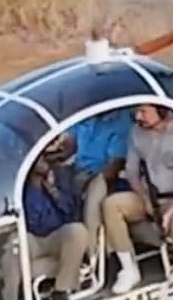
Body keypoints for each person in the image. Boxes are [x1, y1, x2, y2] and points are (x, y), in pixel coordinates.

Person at [101, 104, 173, 300]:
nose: (138, 116)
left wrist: (170, 213)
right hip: (149, 195)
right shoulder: (136, 133)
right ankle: (129, 269)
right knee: (112, 205)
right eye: (136, 111)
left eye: (144, 111)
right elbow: (132, 172)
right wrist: (144, 198)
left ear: (161, 110)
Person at [53, 109, 133, 254]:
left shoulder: (121, 120)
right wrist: (53, 154)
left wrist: (84, 182)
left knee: (95, 187)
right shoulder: (86, 112)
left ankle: (92, 251)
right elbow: (70, 145)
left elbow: (115, 165)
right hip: (76, 170)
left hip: (100, 175)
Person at [22, 154, 89, 300]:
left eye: (45, 157)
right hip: (34, 240)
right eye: (40, 159)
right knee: (15, 249)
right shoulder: (23, 189)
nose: (45, 161)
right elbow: (34, 224)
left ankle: (61, 291)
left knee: (77, 231)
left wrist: (54, 192)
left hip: (57, 237)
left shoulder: (60, 176)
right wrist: (35, 187)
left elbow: (71, 214)